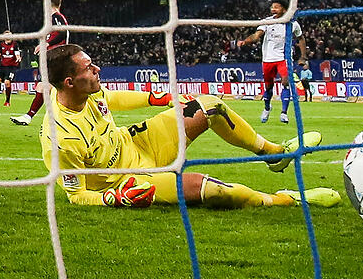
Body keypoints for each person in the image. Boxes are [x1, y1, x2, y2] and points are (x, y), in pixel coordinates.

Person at [40, 44, 339, 209]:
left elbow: (111, 96)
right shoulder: (61, 138)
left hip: (137, 144)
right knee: (214, 191)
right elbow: (76, 195)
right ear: (69, 82)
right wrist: (112, 199)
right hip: (127, 181)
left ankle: (273, 154)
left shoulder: (76, 90)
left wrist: (158, 98)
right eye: (89, 68)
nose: (97, 70)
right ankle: (287, 199)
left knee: (208, 104)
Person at [237, 0, 307, 124]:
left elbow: (300, 38)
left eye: (276, 7)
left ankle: (284, 113)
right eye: (272, 7)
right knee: (269, 86)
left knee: (285, 82)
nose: (273, 9)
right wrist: (245, 41)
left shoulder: (293, 24)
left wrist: (303, 56)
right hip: (268, 59)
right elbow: (256, 35)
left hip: (284, 58)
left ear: (284, 9)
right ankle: (267, 108)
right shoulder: (267, 22)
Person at [11, 0, 68, 125]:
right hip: (55, 58)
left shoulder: (56, 17)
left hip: (59, 58)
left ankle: (59, 119)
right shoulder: (53, 19)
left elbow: (63, 32)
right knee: (43, 86)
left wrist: (47, 44)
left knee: (50, 87)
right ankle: (28, 116)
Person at [0, 30, 21, 107]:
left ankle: (7, 101)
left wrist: (18, 58)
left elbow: (17, 54)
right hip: (3, 66)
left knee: (7, 82)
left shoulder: (15, 45)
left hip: (12, 67)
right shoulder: (0, 45)